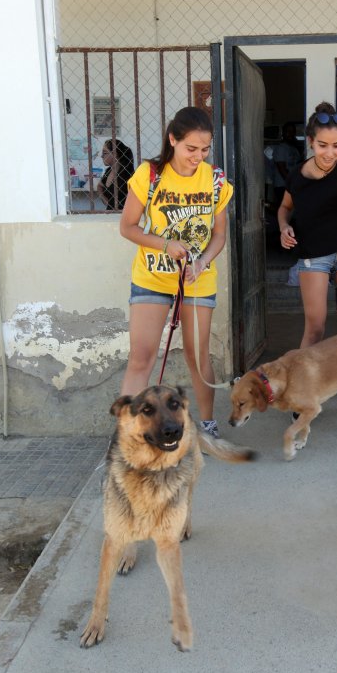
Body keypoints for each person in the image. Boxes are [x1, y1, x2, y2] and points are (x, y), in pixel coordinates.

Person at [119, 106, 233, 439]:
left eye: (205, 149)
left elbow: (220, 234)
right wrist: (164, 243)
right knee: (141, 358)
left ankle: (207, 426)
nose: (198, 156)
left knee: (199, 358)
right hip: (152, 278)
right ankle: (127, 434)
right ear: (173, 139)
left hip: (196, 281)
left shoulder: (215, 180)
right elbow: (127, 227)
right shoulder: (150, 174)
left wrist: (203, 261)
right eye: (191, 148)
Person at [277, 102, 337, 349]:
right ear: (310, 141)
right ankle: (303, 385)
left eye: (336, 146)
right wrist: (283, 226)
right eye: (322, 145)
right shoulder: (297, 175)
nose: (330, 153)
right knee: (315, 328)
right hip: (313, 256)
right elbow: (284, 208)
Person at [271, 122, 302, 209]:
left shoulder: (294, 149)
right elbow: (282, 169)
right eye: (288, 131)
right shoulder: (281, 148)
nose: (290, 134)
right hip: (282, 186)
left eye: (292, 131)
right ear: (283, 133)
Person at [97, 138, 134, 210]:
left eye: (105, 153)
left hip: (124, 214)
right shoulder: (108, 171)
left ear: (115, 154)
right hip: (111, 214)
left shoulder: (126, 174)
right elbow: (99, 186)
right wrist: (107, 203)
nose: (102, 156)